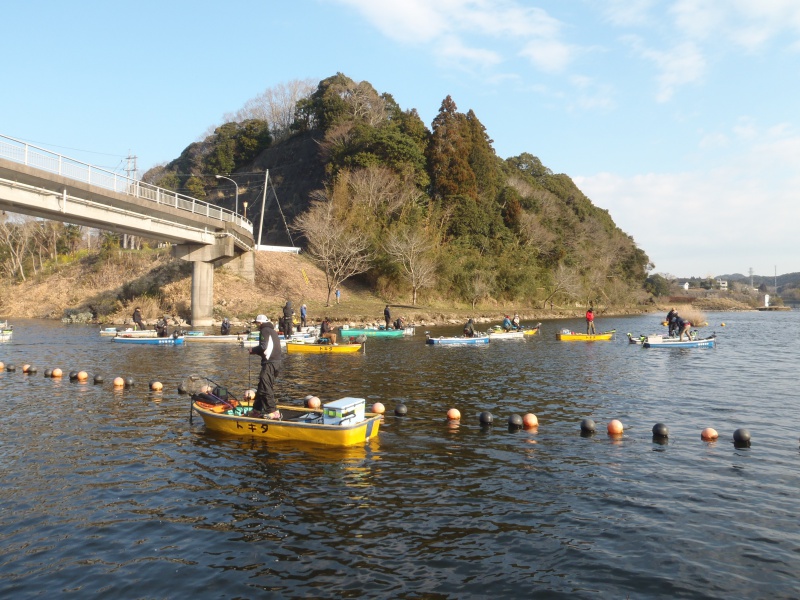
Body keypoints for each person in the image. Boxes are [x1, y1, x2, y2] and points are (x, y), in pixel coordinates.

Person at [248, 314, 282, 420]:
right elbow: (269, 349)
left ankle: (273, 411)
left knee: (265, 386)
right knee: (262, 387)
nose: (257, 325)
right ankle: (256, 410)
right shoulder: (272, 331)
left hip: (270, 363)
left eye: (257, 323)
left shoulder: (264, 330)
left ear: (260, 323)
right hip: (276, 363)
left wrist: (252, 350)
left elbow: (264, 347)